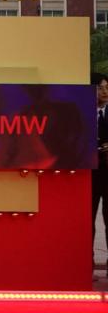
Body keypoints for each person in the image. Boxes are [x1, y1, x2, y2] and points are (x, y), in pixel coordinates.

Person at [93, 73, 108, 273]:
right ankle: (85, 264)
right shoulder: (82, 113)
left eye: (106, 87)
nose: (105, 91)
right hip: (89, 174)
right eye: (100, 88)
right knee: (87, 221)